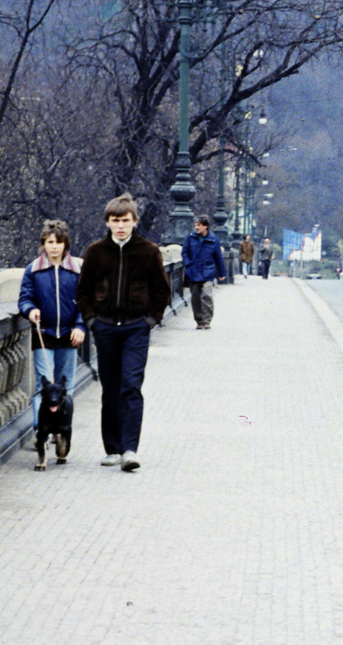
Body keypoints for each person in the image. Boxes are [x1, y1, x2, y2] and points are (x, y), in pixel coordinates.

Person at [78, 193, 171, 472]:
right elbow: (83, 291)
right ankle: (112, 449)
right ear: (107, 222)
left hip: (135, 329)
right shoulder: (95, 252)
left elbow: (162, 289)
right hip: (105, 327)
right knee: (110, 389)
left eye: (125, 221)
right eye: (115, 221)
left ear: (134, 221)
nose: (120, 226)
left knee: (131, 386)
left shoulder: (148, 250)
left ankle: (130, 449)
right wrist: (92, 320)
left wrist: (151, 320)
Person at [17, 220, 86, 439]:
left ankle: (62, 429)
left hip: (68, 335)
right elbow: (25, 297)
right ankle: (41, 431)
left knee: (66, 386)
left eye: (58, 242)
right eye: (49, 242)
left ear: (65, 244)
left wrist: (80, 325)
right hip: (43, 333)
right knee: (43, 386)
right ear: (43, 244)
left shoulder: (76, 269)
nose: (54, 247)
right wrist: (30, 309)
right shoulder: (34, 270)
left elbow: (85, 302)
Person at [181, 215, 227, 328]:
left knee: (207, 295)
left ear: (205, 226)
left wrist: (222, 273)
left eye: (199, 225)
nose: (196, 227)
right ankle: (199, 320)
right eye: (196, 225)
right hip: (194, 270)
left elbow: (218, 257)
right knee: (195, 297)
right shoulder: (190, 237)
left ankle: (207, 320)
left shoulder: (213, 239)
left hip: (207, 270)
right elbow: (184, 252)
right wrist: (188, 264)